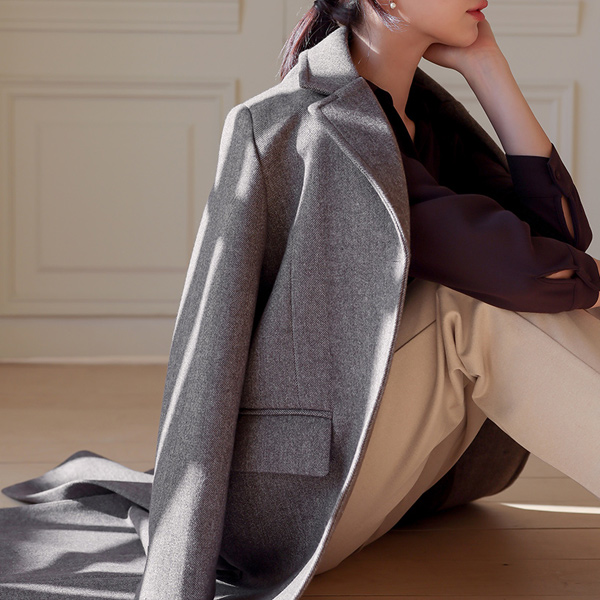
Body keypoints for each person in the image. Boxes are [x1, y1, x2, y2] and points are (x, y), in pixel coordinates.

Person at [1, 1, 600, 599]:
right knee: (470, 309)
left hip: (396, 472)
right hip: (291, 500)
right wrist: (180, 563)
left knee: (515, 294)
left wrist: (489, 69)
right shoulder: (295, 123)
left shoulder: (426, 120)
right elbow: (207, 356)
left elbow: (561, 238)